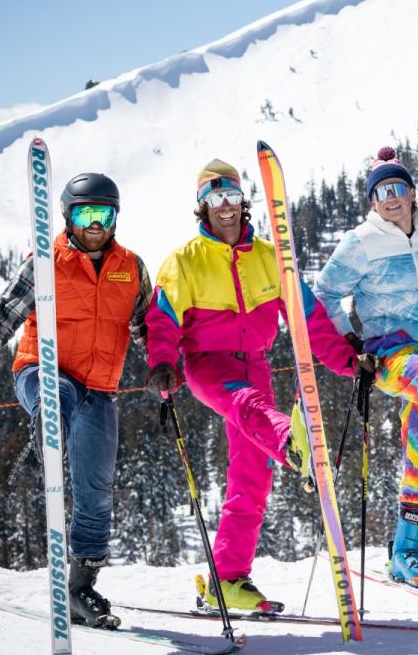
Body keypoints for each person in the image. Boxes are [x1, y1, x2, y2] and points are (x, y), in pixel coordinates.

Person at [146, 159, 363, 611]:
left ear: (242, 201)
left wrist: (348, 361)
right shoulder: (185, 261)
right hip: (207, 365)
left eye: (230, 196)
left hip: (257, 363)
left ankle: (227, 579)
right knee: (247, 406)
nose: (224, 207)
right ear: (202, 206)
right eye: (213, 198)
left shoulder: (271, 257)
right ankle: (293, 445)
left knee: (252, 476)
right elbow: (163, 318)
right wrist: (162, 363)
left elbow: (309, 319)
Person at [0, 173, 149, 628]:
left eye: (104, 214)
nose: (95, 224)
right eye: (85, 214)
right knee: (59, 396)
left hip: (100, 388)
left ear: (116, 218)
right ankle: (49, 444)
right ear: (67, 216)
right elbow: (6, 313)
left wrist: (162, 361)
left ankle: (80, 589)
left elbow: (144, 326)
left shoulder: (131, 267)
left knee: (96, 495)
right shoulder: (44, 260)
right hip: (42, 371)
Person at [313, 147, 418, 590]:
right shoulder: (360, 242)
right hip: (390, 352)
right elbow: (325, 293)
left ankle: (406, 554)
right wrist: (348, 339)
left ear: (411, 193)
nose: (391, 197)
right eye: (381, 191)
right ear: (372, 200)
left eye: (397, 188)